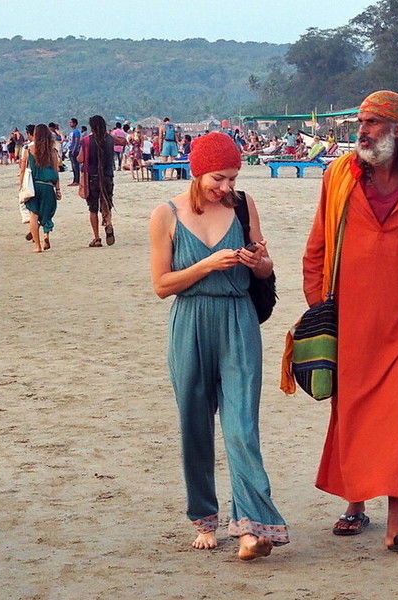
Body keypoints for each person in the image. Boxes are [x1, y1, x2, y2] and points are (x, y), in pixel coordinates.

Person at [287, 90, 398, 553]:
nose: (361, 131)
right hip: (349, 326)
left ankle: (396, 526)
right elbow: (316, 250)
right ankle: (354, 503)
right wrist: (319, 310)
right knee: (352, 417)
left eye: (372, 123)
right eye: (360, 122)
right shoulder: (339, 177)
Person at [149, 131, 288, 561]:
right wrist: (208, 263)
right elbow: (161, 285)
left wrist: (259, 263)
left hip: (238, 319)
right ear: (197, 171)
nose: (226, 188)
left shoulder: (244, 206)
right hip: (189, 321)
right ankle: (204, 518)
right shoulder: (165, 214)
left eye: (232, 178)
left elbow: (265, 268)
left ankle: (251, 527)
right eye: (219, 178)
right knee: (194, 422)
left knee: (241, 425)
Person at [21, 124, 61, 253]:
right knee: (47, 213)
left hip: (34, 185)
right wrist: (58, 189)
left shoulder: (28, 149)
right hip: (48, 186)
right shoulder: (52, 151)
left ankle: (37, 246)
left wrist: (21, 186)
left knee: (34, 215)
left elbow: (23, 170)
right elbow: (56, 171)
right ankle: (46, 236)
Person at [79, 115, 116, 247]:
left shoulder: (87, 141)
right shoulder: (110, 140)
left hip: (92, 178)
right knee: (106, 202)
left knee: (93, 208)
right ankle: (108, 224)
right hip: (107, 176)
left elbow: (80, 159)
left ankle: (97, 238)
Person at [67, 118, 82, 186]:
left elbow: (77, 141)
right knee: (73, 166)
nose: (70, 124)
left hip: (74, 151)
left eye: (71, 122)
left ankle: (77, 181)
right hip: (71, 150)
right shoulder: (72, 131)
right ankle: (75, 180)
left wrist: (74, 150)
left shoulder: (76, 132)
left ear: (74, 123)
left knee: (75, 166)